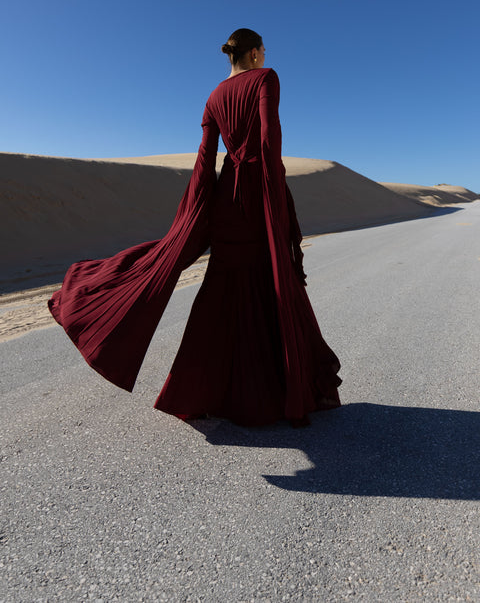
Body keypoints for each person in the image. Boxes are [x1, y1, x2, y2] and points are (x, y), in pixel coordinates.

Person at [49, 28, 341, 426]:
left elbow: (205, 158)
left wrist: (198, 208)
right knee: (270, 282)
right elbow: (269, 140)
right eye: (263, 49)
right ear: (255, 53)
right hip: (258, 194)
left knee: (221, 290)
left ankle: (199, 392)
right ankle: (278, 392)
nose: (265, 55)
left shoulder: (213, 96)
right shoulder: (266, 78)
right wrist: (275, 202)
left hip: (226, 198)